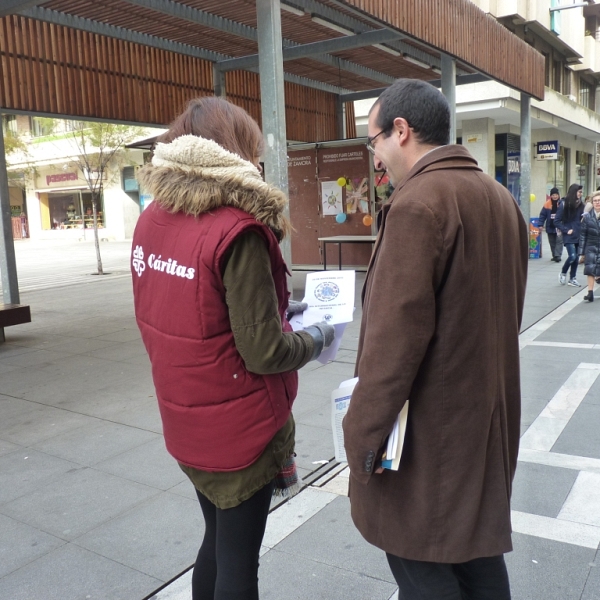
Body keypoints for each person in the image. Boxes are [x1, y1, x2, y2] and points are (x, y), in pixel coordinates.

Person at [130, 96, 334, 600]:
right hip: (239, 431)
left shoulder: (153, 217)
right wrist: (320, 335)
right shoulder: (237, 229)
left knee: (216, 544)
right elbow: (264, 352)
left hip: (186, 420)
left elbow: (196, 311)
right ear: (234, 149)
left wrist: (277, 311)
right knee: (239, 562)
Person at [342, 79, 528, 600]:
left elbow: (390, 349)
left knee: (424, 570)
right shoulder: (500, 199)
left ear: (400, 131)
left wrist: (359, 437)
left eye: (374, 140)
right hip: (485, 425)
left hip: (429, 442)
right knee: (476, 558)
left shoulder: (417, 205)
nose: (375, 157)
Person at [555, 183, 585, 287]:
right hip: (568, 235)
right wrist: (566, 230)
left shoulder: (581, 205)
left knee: (576, 258)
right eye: (579, 192)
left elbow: (582, 218)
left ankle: (572, 278)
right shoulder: (564, 204)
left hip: (578, 234)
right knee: (572, 256)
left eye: (581, 192)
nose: (581, 194)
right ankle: (563, 273)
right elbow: (557, 221)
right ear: (574, 192)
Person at [579, 191, 600, 302]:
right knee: (590, 269)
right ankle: (590, 293)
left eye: (599, 201)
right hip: (590, 246)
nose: (597, 203)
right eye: (595, 201)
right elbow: (583, 234)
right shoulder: (587, 217)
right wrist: (581, 252)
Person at [539, 187, 562, 261]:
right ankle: (554, 255)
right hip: (550, 226)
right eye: (553, 195)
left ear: (558, 195)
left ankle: (558, 255)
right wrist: (540, 224)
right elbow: (543, 215)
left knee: (559, 241)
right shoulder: (547, 204)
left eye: (556, 195)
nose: (555, 196)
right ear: (551, 196)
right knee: (552, 242)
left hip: (559, 226)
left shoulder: (562, 203)